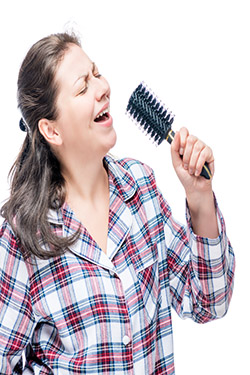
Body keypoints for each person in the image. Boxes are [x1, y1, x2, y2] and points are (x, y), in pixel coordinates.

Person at [0, 32, 235, 375]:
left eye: (96, 72)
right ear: (51, 131)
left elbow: (210, 302)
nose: (103, 86)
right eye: (82, 87)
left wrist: (199, 198)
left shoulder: (140, 189)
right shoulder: (23, 235)